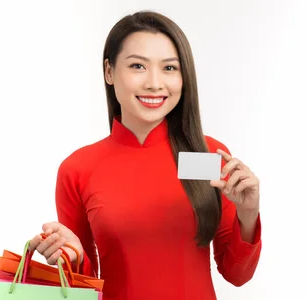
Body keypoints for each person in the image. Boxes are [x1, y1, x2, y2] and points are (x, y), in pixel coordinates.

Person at [28, 10, 262, 300]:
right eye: (138, 66)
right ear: (109, 72)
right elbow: (84, 286)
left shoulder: (208, 156)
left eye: (169, 68)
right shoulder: (78, 169)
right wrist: (72, 254)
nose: (154, 83)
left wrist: (248, 213)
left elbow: (237, 275)